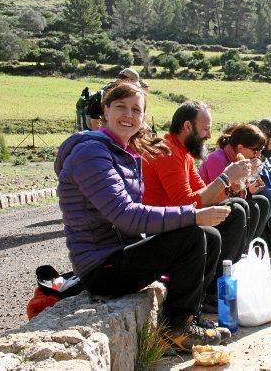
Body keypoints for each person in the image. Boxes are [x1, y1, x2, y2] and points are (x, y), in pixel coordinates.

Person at [55, 82, 231, 353]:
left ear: (143, 117)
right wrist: (194, 215)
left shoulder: (126, 153)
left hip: (121, 253)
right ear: (105, 110)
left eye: (136, 109)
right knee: (193, 235)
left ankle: (187, 318)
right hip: (101, 268)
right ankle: (173, 330)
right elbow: (126, 216)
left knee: (210, 235)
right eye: (121, 107)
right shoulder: (90, 153)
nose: (129, 115)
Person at [142, 101, 252, 310]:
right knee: (233, 213)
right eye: (205, 129)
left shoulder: (184, 154)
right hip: (163, 227)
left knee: (237, 207)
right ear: (187, 127)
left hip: (181, 218)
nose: (209, 136)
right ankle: (209, 290)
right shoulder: (166, 152)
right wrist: (226, 178)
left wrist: (233, 185)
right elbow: (186, 203)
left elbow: (204, 195)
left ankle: (217, 283)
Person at [199, 123, 271, 244]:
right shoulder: (217, 159)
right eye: (255, 150)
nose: (258, 155)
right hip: (208, 207)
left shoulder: (238, 158)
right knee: (245, 206)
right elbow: (218, 197)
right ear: (241, 148)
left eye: (260, 150)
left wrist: (253, 181)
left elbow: (243, 193)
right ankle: (237, 251)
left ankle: (246, 247)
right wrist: (242, 178)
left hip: (228, 201)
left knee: (262, 202)